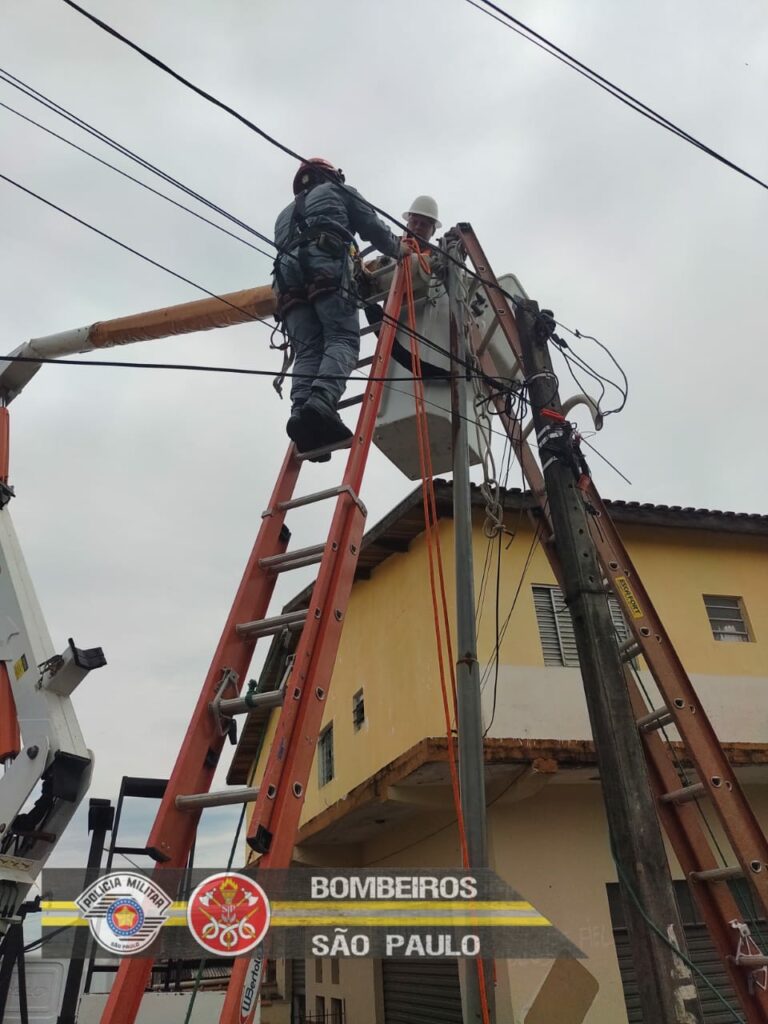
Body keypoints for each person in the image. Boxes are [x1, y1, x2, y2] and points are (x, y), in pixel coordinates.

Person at [273, 157, 407, 454]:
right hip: (326, 265)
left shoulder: (283, 216)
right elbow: (374, 228)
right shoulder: (338, 191)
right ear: (332, 176)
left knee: (309, 349)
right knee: (342, 338)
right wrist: (403, 250)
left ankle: (301, 413)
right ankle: (321, 403)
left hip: (286, 282)